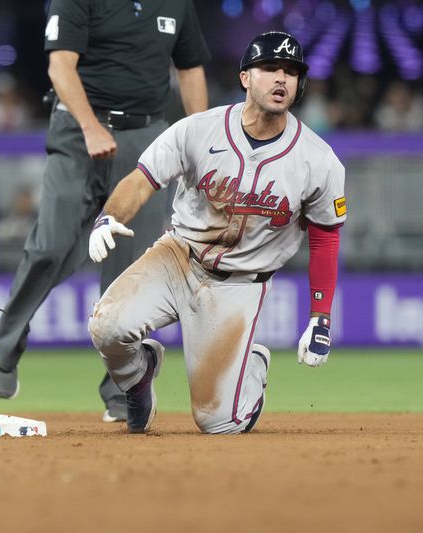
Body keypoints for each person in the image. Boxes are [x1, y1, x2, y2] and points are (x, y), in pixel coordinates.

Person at [86, 31, 347, 434]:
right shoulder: (198, 130)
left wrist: (321, 316)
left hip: (239, 285)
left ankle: (251, 364)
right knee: (106, 327)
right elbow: (142, 179)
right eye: (270, 69)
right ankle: (139, 375)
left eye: (291, 72)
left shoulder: (318, 159)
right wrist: (109, 215)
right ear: (245, 77)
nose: (281, 79)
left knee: (218, 423)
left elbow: (326, 236)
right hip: (178, 257)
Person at [0, 0, 211, 424]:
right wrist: (90, 126)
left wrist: (203, 145)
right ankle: (8, 343)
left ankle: (123, 390)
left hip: (145, 134)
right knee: (51, 245)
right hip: (79, 128)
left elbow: (191, 69)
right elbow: (61, 67)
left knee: (129, 270)